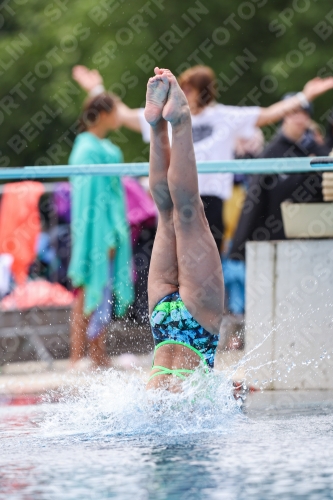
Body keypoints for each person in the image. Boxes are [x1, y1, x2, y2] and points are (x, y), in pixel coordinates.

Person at [73, 65, 333, 253]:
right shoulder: (169, 114)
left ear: (202, 91)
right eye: (183, 86)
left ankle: (206, 326)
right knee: (174, 262)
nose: (184, 91)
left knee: (208, 267)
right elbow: (124, 114)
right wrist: (96, 89)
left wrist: (304, 97)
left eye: (190, 87)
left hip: (210, 201)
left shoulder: (224, 117)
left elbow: (268, 114)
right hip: (178, 200)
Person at [142, 67, 224, 390]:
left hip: (197, 326)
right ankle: (157, 125)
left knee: (187, 213)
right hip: (161, 321)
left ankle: (179, 122)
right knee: (169, 213)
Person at [68, 92, 134, 368]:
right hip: (93, 231)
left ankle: (97, 353)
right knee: (88, 286)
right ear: (104, 114)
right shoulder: (85, 148)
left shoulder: (109, 150)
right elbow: (88, 200)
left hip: (111, 228)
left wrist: (116, 230)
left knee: (104, 287)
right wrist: (101, 234)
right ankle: (76, 356)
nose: (120, 115)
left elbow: (114, 196)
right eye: (116, 110)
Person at [230, 96, 330, 260]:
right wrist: (239, 247)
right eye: (293, 113)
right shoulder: (271, 154)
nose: (299, 118)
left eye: (304, 113)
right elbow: (254, 200)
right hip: (277, 243)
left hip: (318, 242)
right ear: (284, 116)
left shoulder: (321, 152)